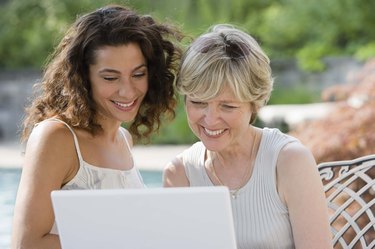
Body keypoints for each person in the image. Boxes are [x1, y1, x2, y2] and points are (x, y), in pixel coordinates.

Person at [11, 5, 182, 249]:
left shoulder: (123, 139)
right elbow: (24, 244)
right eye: (110, 78)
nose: (127, 90)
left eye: (138, 74)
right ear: (83, 77)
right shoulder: (56, 137)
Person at [163, 24, 333, 249]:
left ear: (255, 104)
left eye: (228, 106)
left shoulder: (290, 162)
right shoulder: (179, 175)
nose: (211, 119)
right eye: (198, 102)